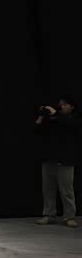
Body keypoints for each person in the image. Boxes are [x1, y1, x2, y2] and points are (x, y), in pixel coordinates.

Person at [35, 95, 79, 228]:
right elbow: (38, 129)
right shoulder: (53, 118)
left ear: (72, 107)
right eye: (61, 104)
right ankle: (49, 215)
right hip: (49, 158)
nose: (62, 106)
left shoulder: (73, 118)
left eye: (65, 104)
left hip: (65, 159)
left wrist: (55, 113)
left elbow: (70, 125)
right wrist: (42, 115)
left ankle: (69, 217)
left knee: (66, 190)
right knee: (48, 189)